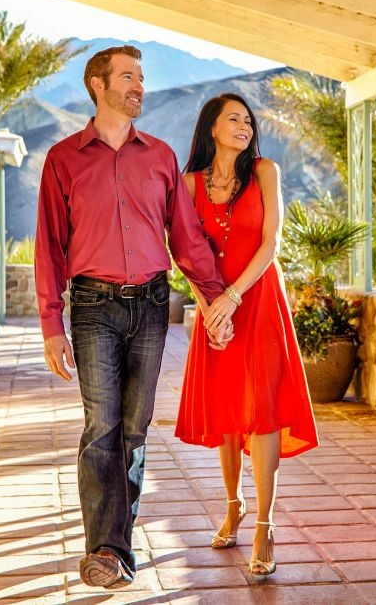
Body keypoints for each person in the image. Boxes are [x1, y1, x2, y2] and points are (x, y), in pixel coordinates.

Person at [34, 46, 238, 589]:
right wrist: (52, 325)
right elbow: (50, 247)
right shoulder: (63, 159)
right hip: (93, 306)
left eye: (141, 78)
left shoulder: (161, 157)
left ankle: (114, 550)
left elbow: (187, 240)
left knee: (134, 429)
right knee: (101, 426)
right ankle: (108, 549)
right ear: (97, 86)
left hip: (150, 303)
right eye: (128, 77)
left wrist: (216, 300)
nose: (139, 87)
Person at [175, 93, 319, 577]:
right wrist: (209, 308)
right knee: (228, 406)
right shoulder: (189, 184)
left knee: (262, 410)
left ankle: (265, 523)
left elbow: (271, 243)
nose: (244, 126)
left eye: (248, 120)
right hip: (216, 306)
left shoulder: (265, 172)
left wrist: (232, 299)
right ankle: (233, 504)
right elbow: (185, 252)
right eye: (233, 119)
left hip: (256, 301)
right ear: (212, 128)